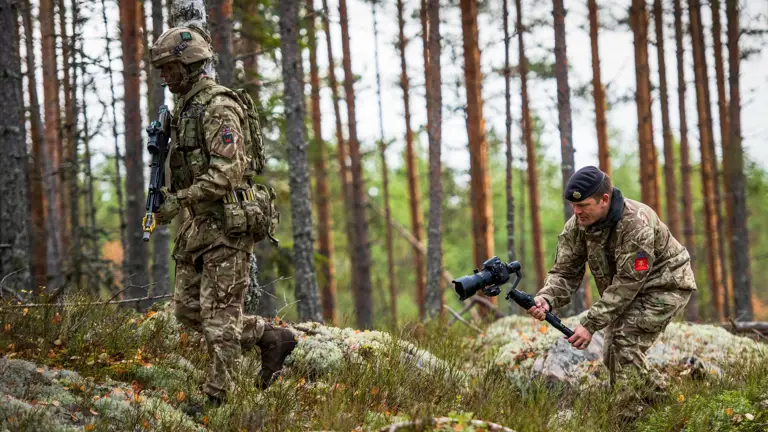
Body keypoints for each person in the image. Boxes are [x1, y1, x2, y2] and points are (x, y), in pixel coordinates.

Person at [148, 27, 296, 407]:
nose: (165, 77)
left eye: (170, 68)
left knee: (220, 320)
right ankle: (270, 337)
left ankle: (219, 402)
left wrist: (178, 200)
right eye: (161, 69)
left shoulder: (218, 106)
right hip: (200, 226)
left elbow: (227, 172)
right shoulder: (184, 108)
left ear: (191, 64)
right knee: (186, 309)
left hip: (229, 224)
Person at [526, 166, 697, 391]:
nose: (576, 212)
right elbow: (566, 272)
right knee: (612, 351)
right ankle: (657, 405)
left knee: (622, 345)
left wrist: (589, 324)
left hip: (665, 285)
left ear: (604, 199)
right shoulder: (577, 226)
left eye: (583, 205)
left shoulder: (636, 225)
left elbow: (627, 283)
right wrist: (547, 298)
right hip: (628, 290)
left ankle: (638, 412)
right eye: (573, 206)